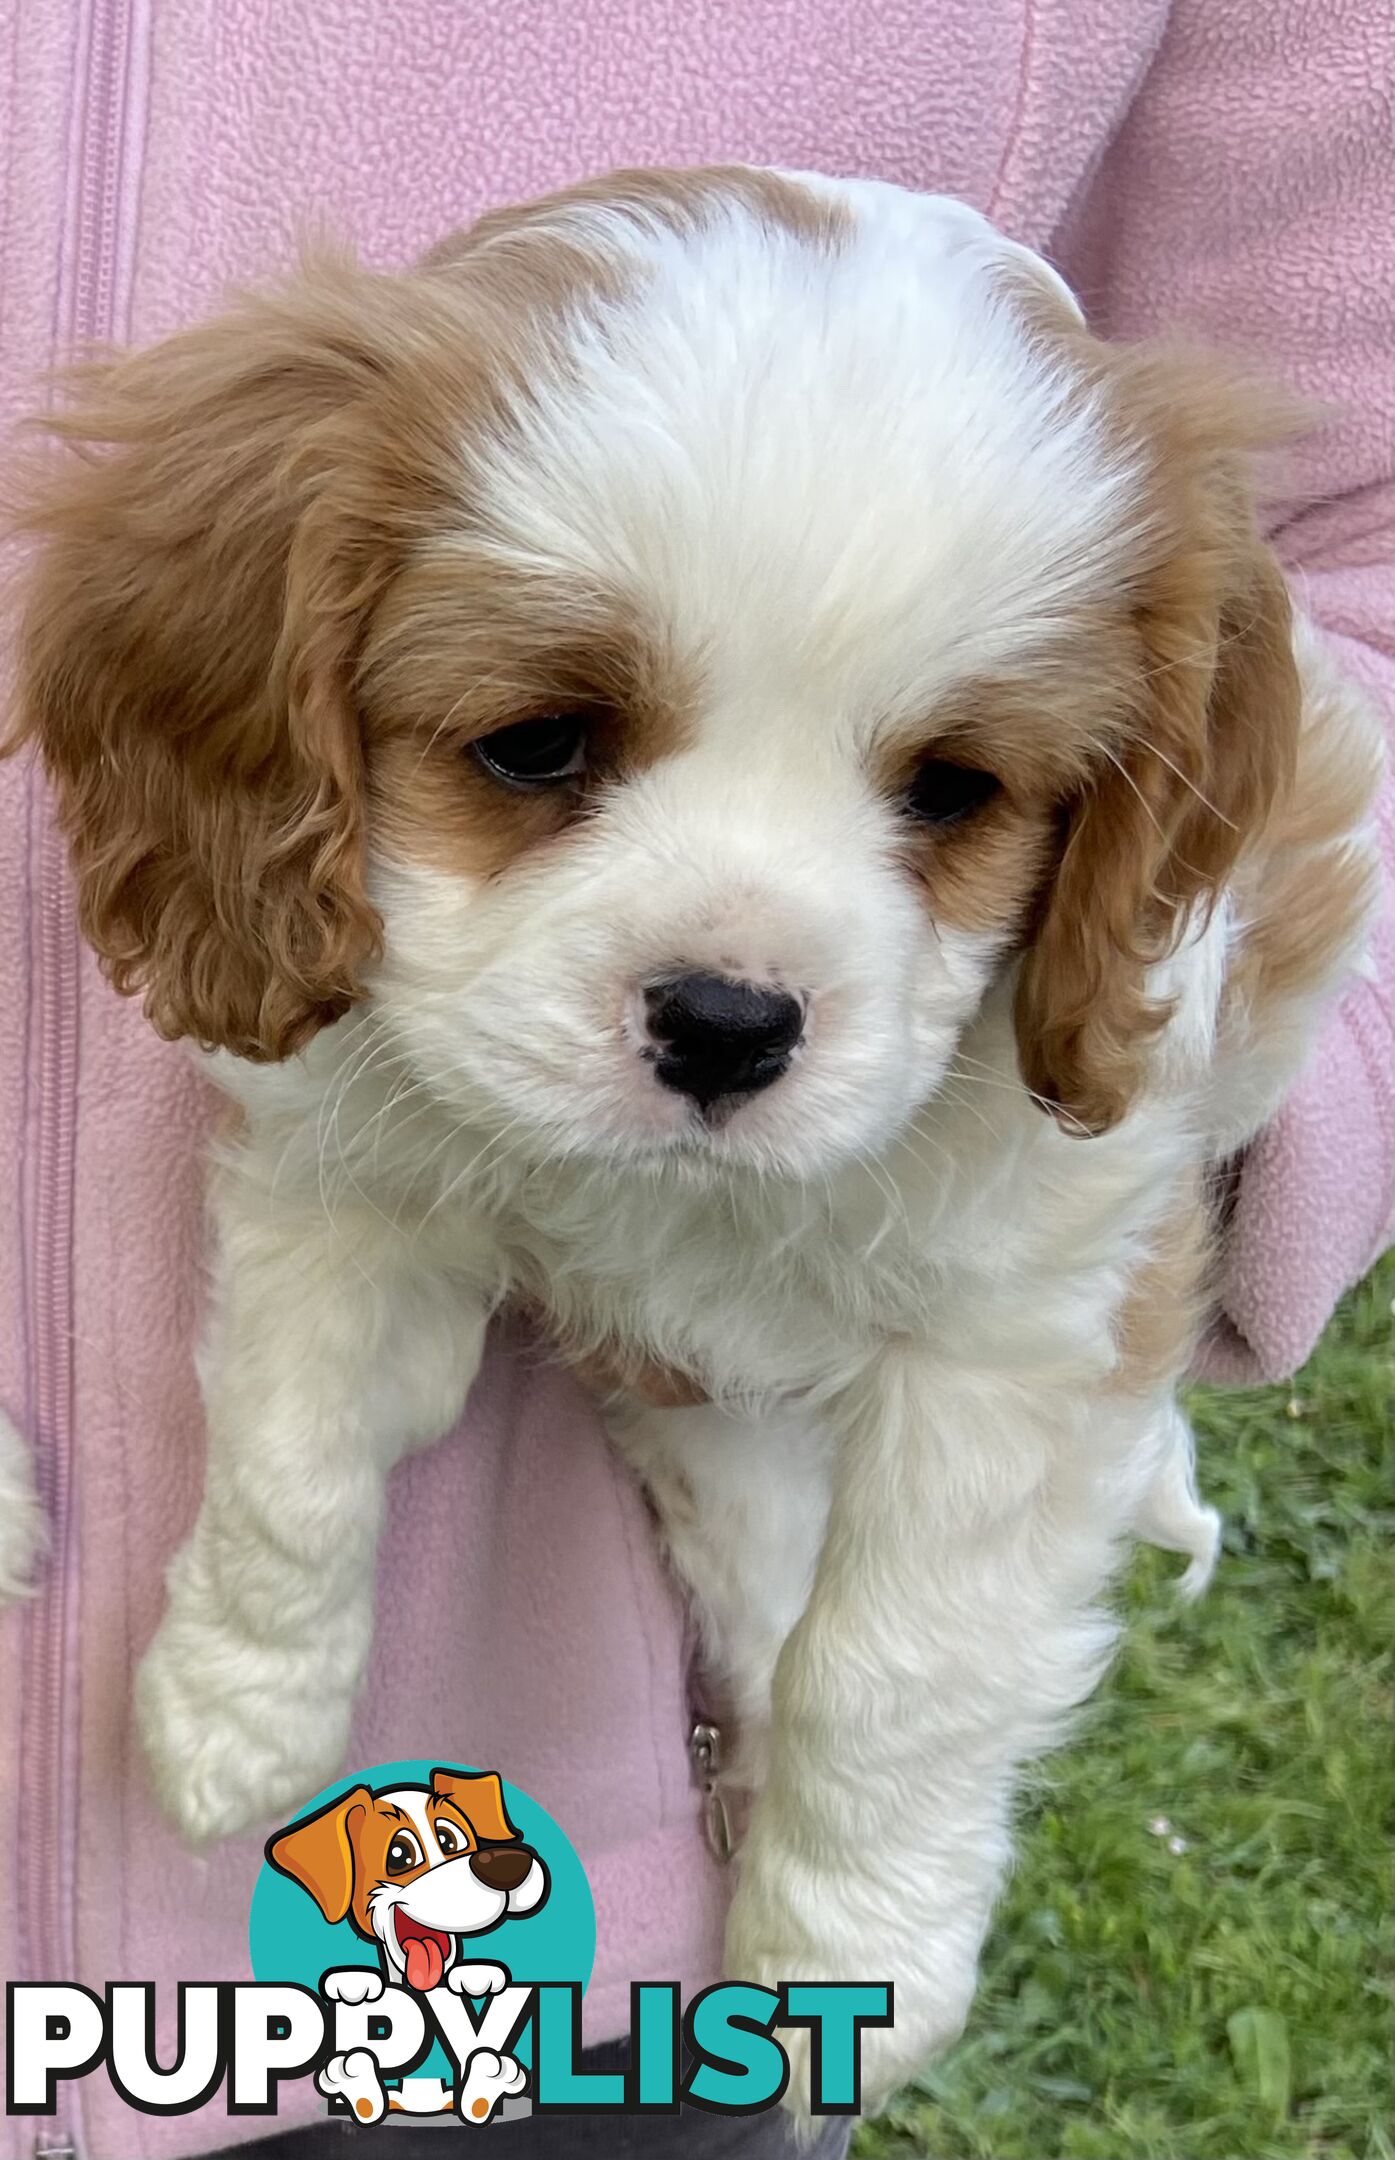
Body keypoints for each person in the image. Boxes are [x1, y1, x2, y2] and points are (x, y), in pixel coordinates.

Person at [0, 1, 1387, 2156]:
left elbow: (1353, 547)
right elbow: (327, 1188)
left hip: (557, 1898)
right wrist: (270, 1606)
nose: (732, 978)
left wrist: (1211, 1113)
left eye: (943, 788)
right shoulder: (274, 583)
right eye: (540, 748)